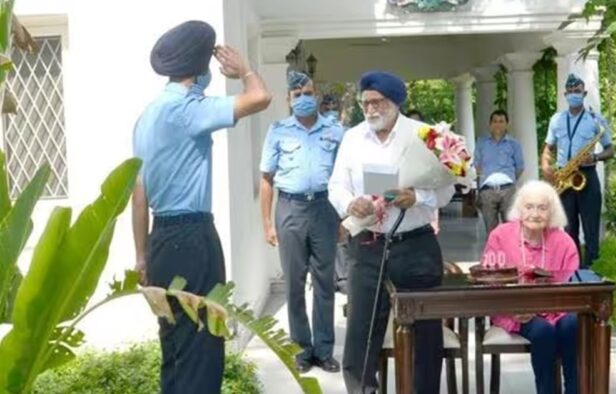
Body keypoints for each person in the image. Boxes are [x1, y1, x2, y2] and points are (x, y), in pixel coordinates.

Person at [132, 20, 271, 394]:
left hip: (160, 239)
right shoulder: (189, 109)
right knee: (202, 346)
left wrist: (141, 256)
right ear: (199, 70)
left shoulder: (147, 117)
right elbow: (260, 97)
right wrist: (244, 70)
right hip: (192, 238)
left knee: (174, 345)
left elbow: (139, 193)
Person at [329, 71, 455, 393]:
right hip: (368, 245)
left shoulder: (425, 135)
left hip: (416, 246)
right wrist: (350, 203)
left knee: (425, 333)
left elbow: (447, 190)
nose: (370, 109)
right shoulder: (353, 138)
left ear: (395, 102)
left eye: (377, 102)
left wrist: (418, 197)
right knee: (361, 332)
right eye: (365, 103)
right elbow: (336, 185)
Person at [259, 71, 344, 373]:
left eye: (308, 93)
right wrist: (267, 224)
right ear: (288, 100)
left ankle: (323, 350)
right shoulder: (278, 131)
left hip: (324, 209)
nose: (304, 99)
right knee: (294, 284)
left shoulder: (335, 132)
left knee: (325, 283)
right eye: (297, 95)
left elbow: (344, 177)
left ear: (316, 95)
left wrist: (343, 219)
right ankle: (301, 350)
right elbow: (266, 180)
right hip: (290, 209)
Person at [481, 180, 580, 394]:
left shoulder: (564, 242)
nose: (535, 214)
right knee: (543, 331)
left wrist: (552, 308)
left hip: (557, 308)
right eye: (529, 207)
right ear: (519, 208)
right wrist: (514, 309)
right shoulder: (500, 235)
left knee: (572, 324)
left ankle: (574, 389)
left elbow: (573, 287)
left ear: (551, 212)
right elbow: (489, 280)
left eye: (542, 208)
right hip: (513, 311)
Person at [541, 73, 615, 268]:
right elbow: (548, 147)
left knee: (591, 229)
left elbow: (611, 149)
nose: (574, 95)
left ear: (584, 93)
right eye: (571, 92)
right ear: (565, 94)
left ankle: (592, 270)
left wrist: (596, 157)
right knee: (568, 228)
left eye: (578, 91)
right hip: (564, 178)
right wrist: (546, 165)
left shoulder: (596, 120)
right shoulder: (556, 119)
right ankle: (573, 270)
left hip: (586, 176)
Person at [474, 109, 524, 234]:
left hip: (508, 190)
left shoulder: (514, 144)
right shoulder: (481, 142)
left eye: (501, 121)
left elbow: (520, 167)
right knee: (491, 231)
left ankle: (510, 254)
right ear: (490, 124)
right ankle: (494, 254)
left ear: (507, 124)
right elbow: (476, 165)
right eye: (495, 121)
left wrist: (509, 181)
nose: (498, 124)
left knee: (511, 229)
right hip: (487, 190)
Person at [405, 108, 440, 235]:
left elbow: (436, 187)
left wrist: (434, 219)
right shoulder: (397, 147)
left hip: (423, 210)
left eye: (417, 122)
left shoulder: (432, 150)